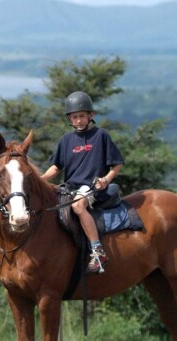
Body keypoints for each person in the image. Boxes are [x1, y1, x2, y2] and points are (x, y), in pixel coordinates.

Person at [41, 91, 124, 274]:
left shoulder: (101, 135)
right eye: (74, 117)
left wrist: (105, 180)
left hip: (91, 186)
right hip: (69, 187)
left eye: (81, 116)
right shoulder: (66, 140)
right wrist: (40, 180)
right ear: (70, 119)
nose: (78, 120)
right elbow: (56, 167)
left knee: (78, 206)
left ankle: (97, 251)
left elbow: (117, 165)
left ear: (90, 115)